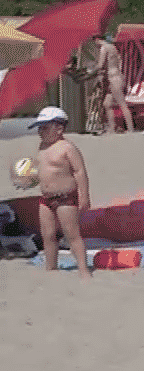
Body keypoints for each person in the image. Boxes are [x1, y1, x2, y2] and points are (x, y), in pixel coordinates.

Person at [26, 107, 90, 277]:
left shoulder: (67, 147)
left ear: (60, 128)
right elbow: (42, 169)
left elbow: (79, 172)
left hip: (65, 198)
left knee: (72, 235)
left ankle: (83, 270)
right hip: (45, 199)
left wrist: (84, 196)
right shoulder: (42, 146)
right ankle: (51, 268)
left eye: (44, 127)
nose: (41, 132)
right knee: (48, 235)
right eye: (39, 128)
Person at [91, 36, 132, 135]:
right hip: (116, 77)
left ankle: (131, 129)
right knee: (107, 104)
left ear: (96, 40)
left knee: (122, 103)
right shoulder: (112, 47)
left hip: (113, 78)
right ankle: (112, 128)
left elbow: (101, 65)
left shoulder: (104, 48)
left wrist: (90, 72)